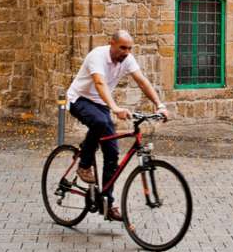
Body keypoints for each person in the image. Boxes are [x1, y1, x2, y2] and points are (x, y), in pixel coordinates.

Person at [66, 29, 169, 221]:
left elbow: (142, 81)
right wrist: (114, 107)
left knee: (112, 153)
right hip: (80, 99)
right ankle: (84, 164)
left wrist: (160, 105)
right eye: (123, 47)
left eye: (129, 48)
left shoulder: (127, 59)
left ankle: (107, 202)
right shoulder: (97, 56)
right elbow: (99, 82)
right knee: (100, 122)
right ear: (111, 43)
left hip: (102, 104)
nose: (126, 52)